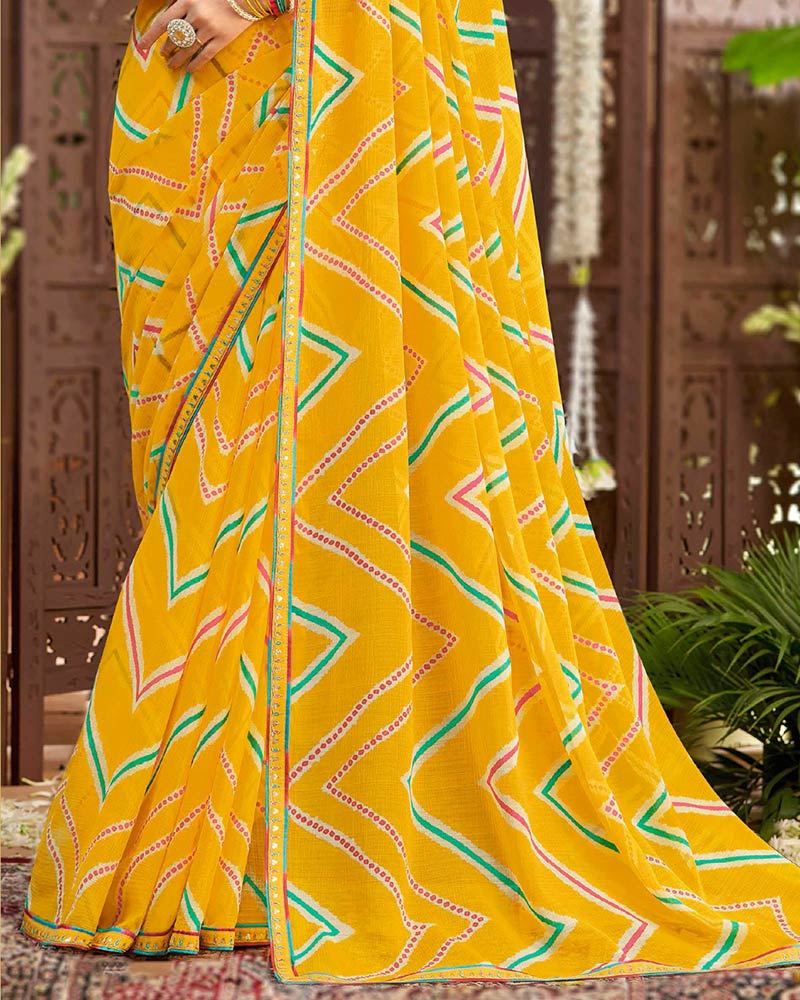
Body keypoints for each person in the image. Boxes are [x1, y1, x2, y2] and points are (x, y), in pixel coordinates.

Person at [19, 0, 800, 985]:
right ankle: (241, 853)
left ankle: (241, 847)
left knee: (286, 449)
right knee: (252, 457)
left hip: (336, 102)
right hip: (240, 95)